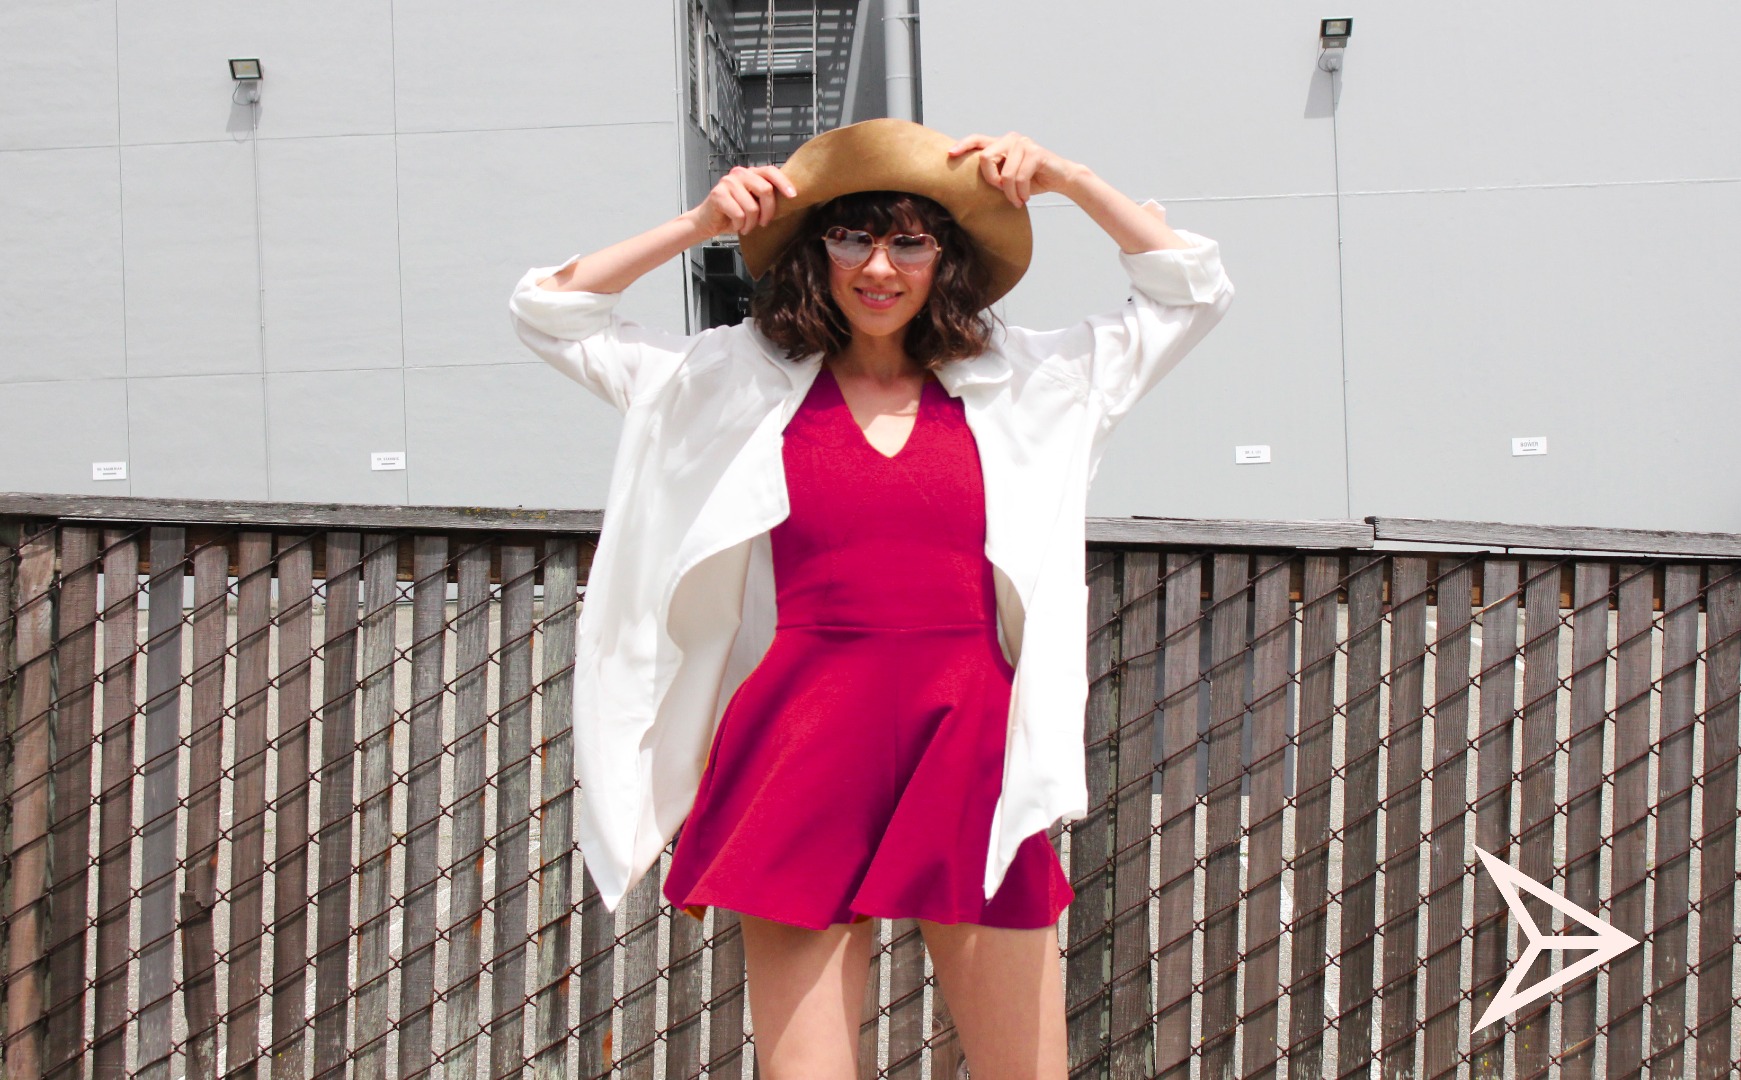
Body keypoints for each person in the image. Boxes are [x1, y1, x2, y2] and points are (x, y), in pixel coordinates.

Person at [508, 119, 1232, 1080]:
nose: (878, 267)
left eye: (909, 241)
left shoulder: (1029, 383)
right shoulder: (732, 381)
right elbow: (550, 311)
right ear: (815, 252)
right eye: (851, 237)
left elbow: (1188, 292)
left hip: (969, 735)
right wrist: (697, 224)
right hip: (800, 735)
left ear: (947, 257)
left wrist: (1068, 177)